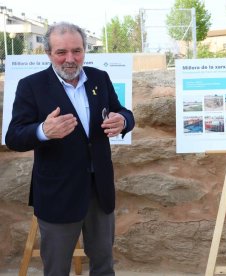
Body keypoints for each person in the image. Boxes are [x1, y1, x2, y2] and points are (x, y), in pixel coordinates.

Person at [5, 22, 134, 276]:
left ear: (85, 50)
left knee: (104, 266)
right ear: (48, 53)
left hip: (100, 191)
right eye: (61, 52)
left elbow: (122, 112)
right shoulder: (31, 86)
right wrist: (43, 131)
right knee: (56, 269)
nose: (70, 59)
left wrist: (124, 121)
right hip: (58, 195)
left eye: (77, 51)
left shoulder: (99, 78)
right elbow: (14, 137)